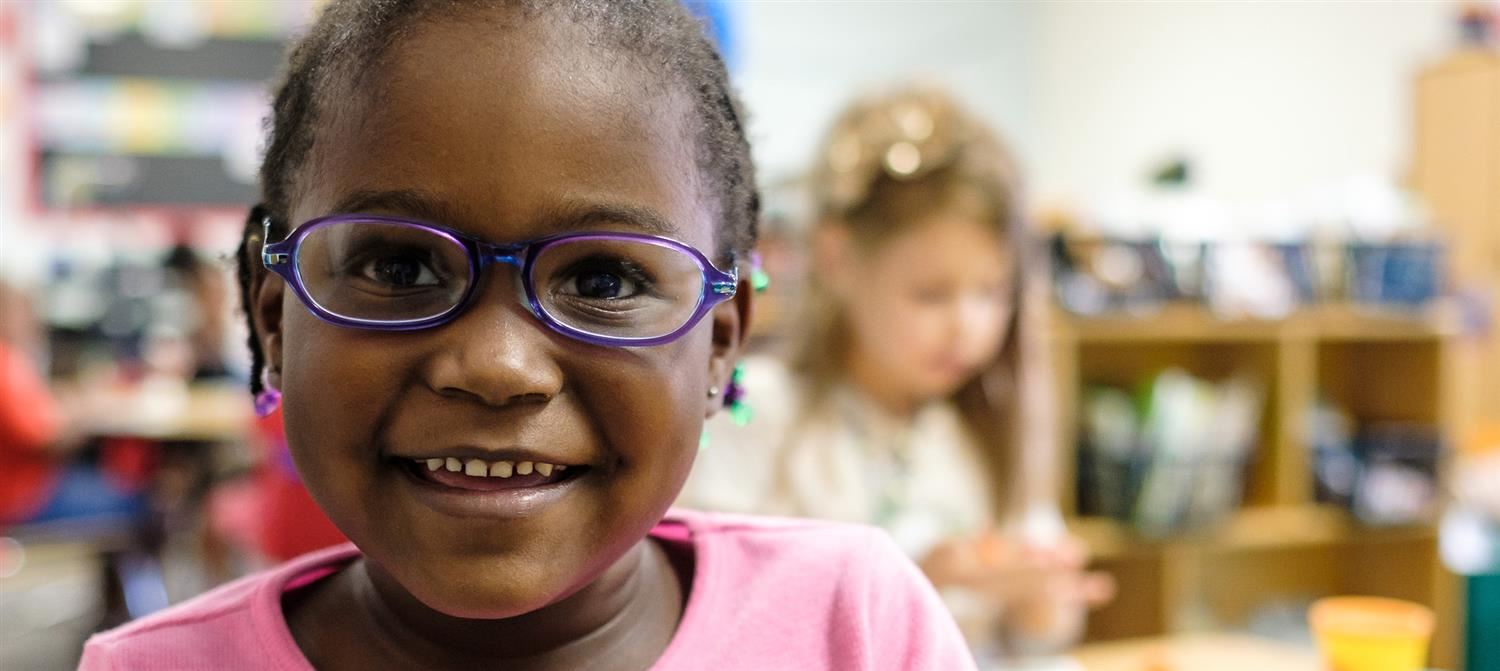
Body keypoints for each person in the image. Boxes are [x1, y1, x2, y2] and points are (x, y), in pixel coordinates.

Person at [79, 2, 974, 669]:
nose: (497, 366)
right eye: (399, 267)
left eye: (602, 280)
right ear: (274, 318)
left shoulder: (853, 624)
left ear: (721, 343)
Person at [680, 86, 1114, 657]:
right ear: (838, 260)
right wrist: (917, 580)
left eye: (991, 294)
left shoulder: (976, 429)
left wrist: (1040, 602)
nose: (967, 326)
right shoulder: (754, 413)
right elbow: (720, 622)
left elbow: (1036, 638)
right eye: (932, 295)